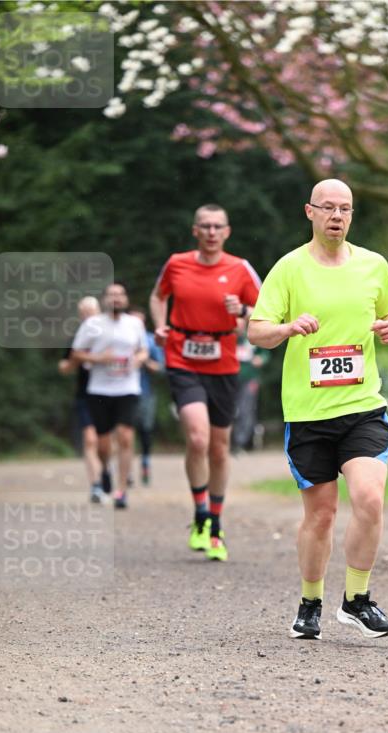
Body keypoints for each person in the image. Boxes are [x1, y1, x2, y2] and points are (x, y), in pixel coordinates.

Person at [248, 178, 388, 640]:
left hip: (363, 406)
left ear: (352, 216)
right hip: (309, 413)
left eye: (346, 209)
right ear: (310, 212)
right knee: (321, 515)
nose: (337, 216)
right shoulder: (289, 269)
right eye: (328, 207)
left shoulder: (374, 265)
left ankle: (357, 600)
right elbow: (257, 331)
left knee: (370, 499)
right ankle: (310, 603)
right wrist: (289, 327)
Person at [150, 204, 261, 561]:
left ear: (227, 232)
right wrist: (159, 325)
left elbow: (269, 314)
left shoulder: (240, 269)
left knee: (218, 447)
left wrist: (242, 311)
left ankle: (215, 521)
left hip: (224, 362)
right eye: (205, 226)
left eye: (218, 227)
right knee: (197, 437)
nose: (212, 232)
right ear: (195, 230)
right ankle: (199, 514)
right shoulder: (177, 263)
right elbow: (158, 296)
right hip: (182, 356)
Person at [72, 283, 148, 509]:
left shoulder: (134, 324)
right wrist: (99, 359)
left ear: (125, 299)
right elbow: (76, 352)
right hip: (100, 389)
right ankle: (104, 469)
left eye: (120, 295)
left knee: (125, 436)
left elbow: (143, 350)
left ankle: (121, 490)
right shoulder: (93, 324)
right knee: (103, 444)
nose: (116, 298)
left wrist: (138, 360)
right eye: (112, 295)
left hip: (128, 388)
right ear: (105, 299)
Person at [58, 296, 112, 502]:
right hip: (85, 395)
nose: (88, 315)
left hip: (109, 394)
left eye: (92, 311)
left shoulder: (111, 336)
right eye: (84, 312)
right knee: (90, 440)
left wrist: (91, 358)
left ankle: (106, 469)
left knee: (105, 443)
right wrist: (76, 358)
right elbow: (64, 367)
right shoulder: (77, 339)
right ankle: (96, 486)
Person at [129, 308, 164, 485]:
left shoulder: (151, 341)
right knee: (124, 432)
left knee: (145, 431)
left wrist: (145, 361)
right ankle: (126, 470)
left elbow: (161, 368)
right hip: (124, 393)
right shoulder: (120, 339)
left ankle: (145, 463)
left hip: (146, 393)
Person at [231, 332, 269, 453]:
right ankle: (228, 441)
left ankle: (241, 442)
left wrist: (261, 359)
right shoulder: (229, 336)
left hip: (249, 380)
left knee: (245, 410)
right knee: (230, 410)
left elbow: (265, 353)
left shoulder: (252, 336)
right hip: (229, 380)